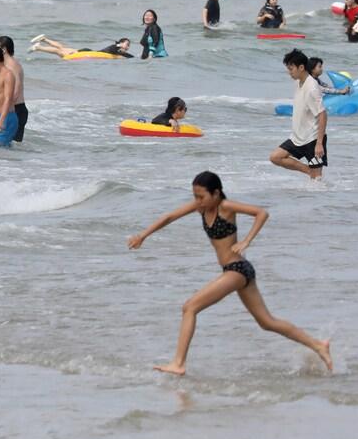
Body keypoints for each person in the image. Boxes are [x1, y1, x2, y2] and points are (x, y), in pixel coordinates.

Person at [126, 170, 333, 376]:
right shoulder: (201, 208)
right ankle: (318, 345)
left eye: (201, 196)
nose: (197, 201)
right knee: (267, 322)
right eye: (195, 196)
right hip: (237, 271)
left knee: (190, 307)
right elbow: (169, 217)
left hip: (237, 270)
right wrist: (143, 236)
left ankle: (178, 363)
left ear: (216, 193)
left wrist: (246, 241)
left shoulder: (225, 207)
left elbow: (261, 213)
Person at [269, 49, 327, 179]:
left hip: (312, 140)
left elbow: (322, 114)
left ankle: (314, 174)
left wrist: (319, 143)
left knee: (317, 182)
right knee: (275, 157)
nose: (289, 72)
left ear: (301, 67)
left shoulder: (311, 88)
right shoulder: (299, 82)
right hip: (297, 138)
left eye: (291, 69)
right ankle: (309, 171)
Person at [0, 35, 28, 143]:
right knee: (5, 146)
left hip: (16, 111)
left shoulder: (11, 66)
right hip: (14, 109)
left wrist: (3, 113)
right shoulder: (8, 64)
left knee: (3, 145)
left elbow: (16, 91)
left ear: (4, 50)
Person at [29, 36, 132, 58]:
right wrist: (120, 46)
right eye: (127, 44)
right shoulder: (115, 47)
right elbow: (115, 49)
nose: (127, 47)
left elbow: (128, 56)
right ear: (121, 43)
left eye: (129, 46)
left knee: (62, 48)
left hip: (87, 51)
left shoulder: (118, 50)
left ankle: (44, 39)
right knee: (59, 52)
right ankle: (39, 47)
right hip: (86, 53)